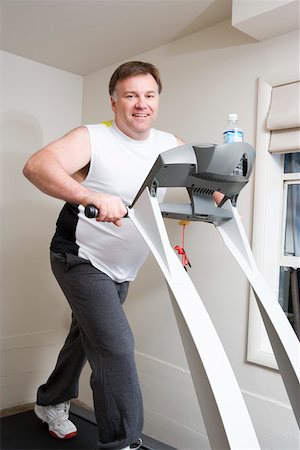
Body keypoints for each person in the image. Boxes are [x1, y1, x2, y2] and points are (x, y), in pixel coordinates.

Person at [23, 61, 185, 450]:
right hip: (79, 256)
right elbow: (37, 166)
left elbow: (201, 175)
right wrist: (91, 195)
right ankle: (123, 443)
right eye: (130, 95)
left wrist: (221, 196)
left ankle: (49, 402)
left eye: (149, 95)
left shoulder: (168, 144)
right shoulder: (93, 137)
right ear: (114, 101)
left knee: (85, 336)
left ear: (157, 100)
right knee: (115, 346)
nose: (141, 104)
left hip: (122, 266)